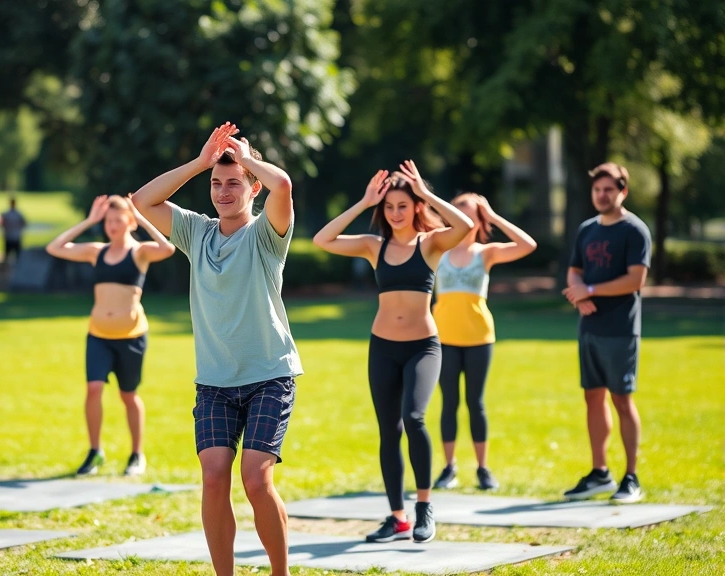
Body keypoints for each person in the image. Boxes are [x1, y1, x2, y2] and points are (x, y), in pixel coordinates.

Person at [132, 122, 302, 576]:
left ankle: (280, 573)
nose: (223, 191)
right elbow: (141, 201)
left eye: (234, 183)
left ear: (252, 189)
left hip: (269, 376)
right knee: (212, 478)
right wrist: (200, 162)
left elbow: (282, 184)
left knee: (255, 479)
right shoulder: (196, 233)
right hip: (214, 384)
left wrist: (245, 158)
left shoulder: (267, 235)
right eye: (216, 183)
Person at [313, 164, 473, 544]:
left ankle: (423, 507)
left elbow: (465, 226)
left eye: (403, 205)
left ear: (415, 207)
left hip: (423, 347)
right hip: (382, 347)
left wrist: (426, 193)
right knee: (389, 431)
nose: (396, 213)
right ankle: (397, 517)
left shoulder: (431, 243)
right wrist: (364, 202)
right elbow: (323, 239)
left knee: (414, 418)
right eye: (389, 207)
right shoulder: (374, 246)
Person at [46, 195, 175, 476]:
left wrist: (142, 218)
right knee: (93, 388)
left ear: (129, 222)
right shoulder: (96, 251)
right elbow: (54, 247)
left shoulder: (140, 252)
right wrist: (89, 221)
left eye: (119, 220)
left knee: (128, 395)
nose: (112, 226)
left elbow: (167, 248)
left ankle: (136, 454)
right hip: (98, 335)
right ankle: (95, 451)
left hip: (131, 336)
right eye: (108, 221)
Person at [431, 193, 537, 491]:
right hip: (444, 338)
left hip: (479, 338)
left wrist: (494, 216)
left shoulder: (486, 252)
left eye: (470, 214)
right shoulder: (438, 250)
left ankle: (482, 468)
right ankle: (448, 468)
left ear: (479, 221)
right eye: (456, 213)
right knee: (449, 403)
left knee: (475, 403)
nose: (462, 220)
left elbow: (528, 245)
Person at [561, 162, 650, 504]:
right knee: (592, 398)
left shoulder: (635, 230)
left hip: (621, 330)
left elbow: (635, 280)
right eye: (597, 189)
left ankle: (631, 478)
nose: (602, 195)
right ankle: (600, 473)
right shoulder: (586, 229)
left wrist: (591, 291)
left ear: (622, 191)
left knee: (622, 400)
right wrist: (580, 296)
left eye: (609, 189)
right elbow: (573, 272)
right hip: (590, 329)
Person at [2, 196, 27, 265]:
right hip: (14, 236)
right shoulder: (18, 214)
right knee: (14, 255)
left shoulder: (7, 214)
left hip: (11, 236)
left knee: (11, 255)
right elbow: (24, 223)